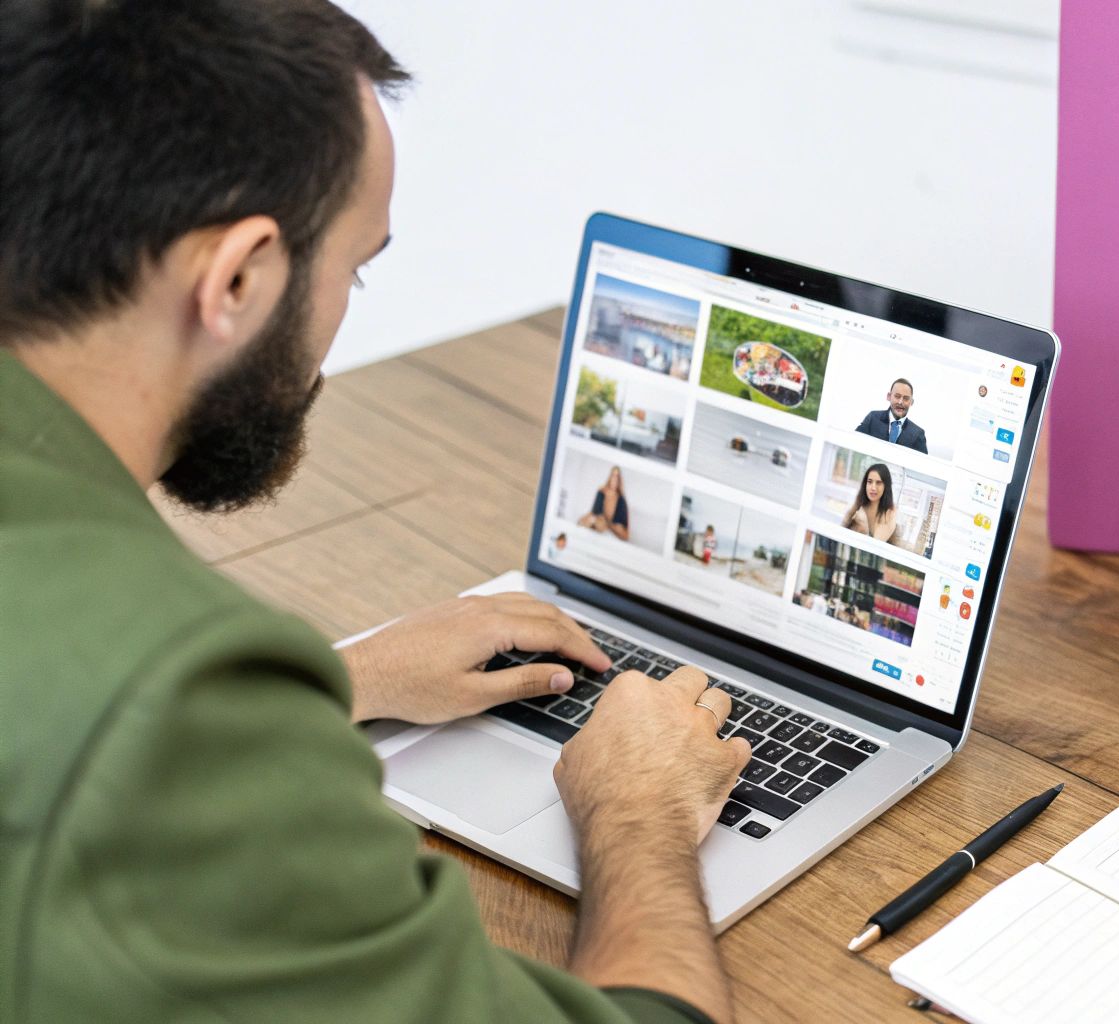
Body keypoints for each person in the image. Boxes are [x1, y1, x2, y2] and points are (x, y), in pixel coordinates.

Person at [0, 5, 749, 1023]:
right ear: (239, 278)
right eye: (354, 266)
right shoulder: (169, 700)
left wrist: (340, 678)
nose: (347, 304)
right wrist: (636, 815)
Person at [855, 377, 928, 453]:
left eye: (906, 398)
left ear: (911, 402)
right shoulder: (873, 418)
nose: (900, 402)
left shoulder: (918, 434)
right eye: (897, 396)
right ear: (889, 396)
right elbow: (855, 442)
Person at [842, 464, 901, 545]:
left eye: (878, 483)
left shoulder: (889, 513)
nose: (873, 488)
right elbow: (844, 530)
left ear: (886, 486)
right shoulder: (859, 505)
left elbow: (875, 546)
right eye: (869, 482)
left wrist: (865, 529)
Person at [580, 466, 631, 540]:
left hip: (611, 525)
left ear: (620, 479)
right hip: (598, 520)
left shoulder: (621, 500)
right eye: (613, 475)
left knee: (616, 528)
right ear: (610, 477)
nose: (614, 479)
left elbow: (625, 533)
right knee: (586, 520)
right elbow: (593, 513)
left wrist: (609, 525)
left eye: (617, 476)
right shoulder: (601, 491)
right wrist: (585, 519)